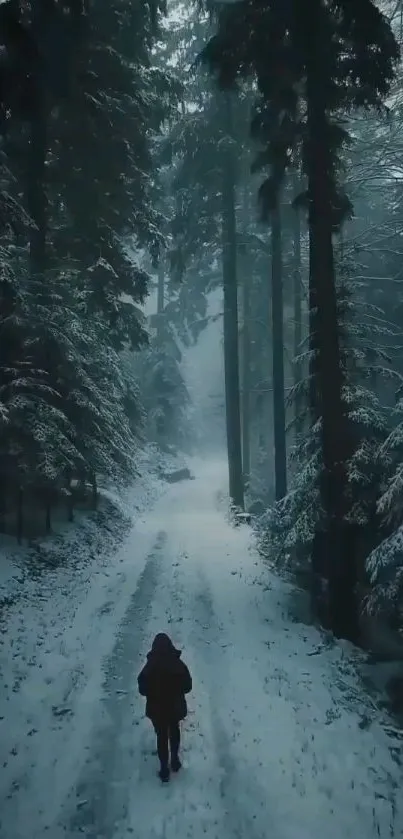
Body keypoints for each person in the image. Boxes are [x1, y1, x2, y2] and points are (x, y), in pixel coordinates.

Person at [138, 632, 192, 782]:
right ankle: (174, 760)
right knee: (174, 731)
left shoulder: (150, 666)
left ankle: (163, 769)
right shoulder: (178, 664)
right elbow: (188, 686)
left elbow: (142, 689)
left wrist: (153, 691)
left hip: (157, 710)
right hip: (174, 709)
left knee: (161, 736)